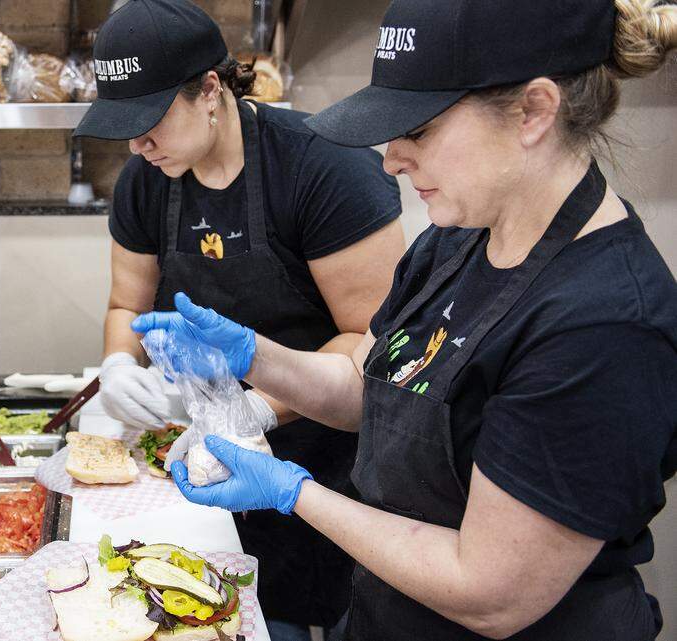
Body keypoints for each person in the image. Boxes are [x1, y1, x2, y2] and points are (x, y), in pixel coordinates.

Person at [132, 0, 677, 639]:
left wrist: (294, 492)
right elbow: (370, 389)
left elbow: (489, 593)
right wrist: (253, 358)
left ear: (533, 110)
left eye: (416, 129)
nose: (391, 160)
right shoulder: (456, 239)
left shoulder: (602, 325)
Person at [72, 0, 405, 637]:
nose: (137, 144)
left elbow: (375, 342)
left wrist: (254, 409)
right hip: (208, 468)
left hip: (329, 467)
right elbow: (126, 305)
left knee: (325, 615)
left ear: (210, 89)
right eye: (124, 126)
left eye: (149, 121)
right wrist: (118, 366)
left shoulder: (323, 168)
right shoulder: (146, 180)